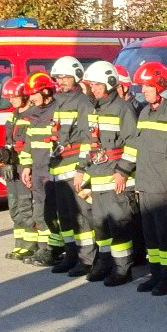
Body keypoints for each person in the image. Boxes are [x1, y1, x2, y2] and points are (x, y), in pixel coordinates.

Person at [123, 61, 167, 296]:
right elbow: (139, 149)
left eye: (147, 87)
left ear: (159, 86)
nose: (143, 91)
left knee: (166, 234)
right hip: (146, 184)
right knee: (151, 235)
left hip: (164, 186)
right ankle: (156, 274)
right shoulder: (145, 112)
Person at [80, 60, 139, 285]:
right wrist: (80, 170)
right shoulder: (94, 108)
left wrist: (123, 171)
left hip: (116, 178)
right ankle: (103, 265)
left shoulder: (122, 109)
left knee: (119, 226)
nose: (92, 89)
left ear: (109, 83)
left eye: (97, 84)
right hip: (97, 177)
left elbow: (133, 143)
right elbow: (90, 142)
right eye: (91, 85)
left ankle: (123, 270)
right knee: (101, 226)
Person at [46, 56, 95, 275]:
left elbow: (88, 139)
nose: (61, 81)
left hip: (74, 168)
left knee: (81, 217)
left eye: (65, 77)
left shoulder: (83, 104)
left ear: (75, 77)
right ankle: (71, 254)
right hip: (58, 168)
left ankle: (87, 259)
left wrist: (81, 170)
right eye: (58, 78)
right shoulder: (57, 101)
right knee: (64, 215)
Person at [19, 72, 60, 266]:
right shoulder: (34, 113)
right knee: (40, 212)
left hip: (52, 169)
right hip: (37, 169)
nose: (31, 98)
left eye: (34, 93)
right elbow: (29, 141)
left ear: (45, 91)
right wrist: (26, 166)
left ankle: (55, 250)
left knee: (53, 213)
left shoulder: (58, 109)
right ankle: (45, 250)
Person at [0, 76, 36, 260]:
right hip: (12, 168)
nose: (11, 100)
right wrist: (6, 157)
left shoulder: (32, 116)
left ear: (24, 95)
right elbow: (9, 140)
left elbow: (30, 144)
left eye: (14, 97)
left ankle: (30, 245)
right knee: (14, 207)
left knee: (25, 206)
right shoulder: (13, 115)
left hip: (24, 167)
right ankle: (19, 244)